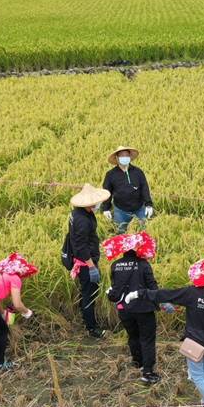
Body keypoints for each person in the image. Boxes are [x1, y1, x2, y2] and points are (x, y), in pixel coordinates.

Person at [125, 255, 204, 407]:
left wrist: (140, 293)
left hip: (195, 342)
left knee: (197, 376)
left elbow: (165, 295)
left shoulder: (192, 293)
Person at [104, 231, 166, 385]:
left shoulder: (115, 265)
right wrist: (163, 303)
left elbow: (115, 287)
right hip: (144, 308)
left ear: (123, 250)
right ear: (138, 249)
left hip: (124, 309)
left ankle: (137, 362)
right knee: (147, 339)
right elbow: (152, 287)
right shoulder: (144, 264)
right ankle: (148, 372)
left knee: (133, 336)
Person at [63, 183, 111, 338]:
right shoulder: (82, 220)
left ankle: (85, 318)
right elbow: (81, 247)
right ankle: (92, 328)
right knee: (89, 295)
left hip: (85, 259)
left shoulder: (78, 213)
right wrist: (91, 267)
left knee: (86, 292)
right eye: (95, 203)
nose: (97, 205)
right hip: (85, 263)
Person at [101, 146, 153, 234]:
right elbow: (107, 192)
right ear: (117, 158)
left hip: (139, 209)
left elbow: (144, 188)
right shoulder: (111, 175)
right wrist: (106, 208)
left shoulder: (138, 172)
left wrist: (148, 204)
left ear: (129, 157)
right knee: (120, 232)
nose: (124, 157)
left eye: (126, 155)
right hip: (121, 211)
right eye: (122, 155)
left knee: (143, 232)